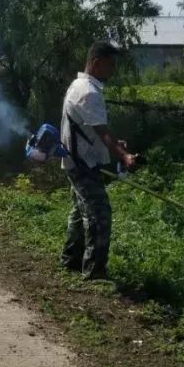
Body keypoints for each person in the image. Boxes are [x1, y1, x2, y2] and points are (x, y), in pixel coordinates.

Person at [59, 41, 139, 281]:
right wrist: (124, 156)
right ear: (96, 63)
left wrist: (115, 145)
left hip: (79, 160)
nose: (113, 70)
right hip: (82, 164)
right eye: (110, 65)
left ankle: (70, 260)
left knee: (79, 210)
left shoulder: (79, 85)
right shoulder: (89, 92)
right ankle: (95, 271)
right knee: (99, 214)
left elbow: (93, 130)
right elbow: (103, 132)